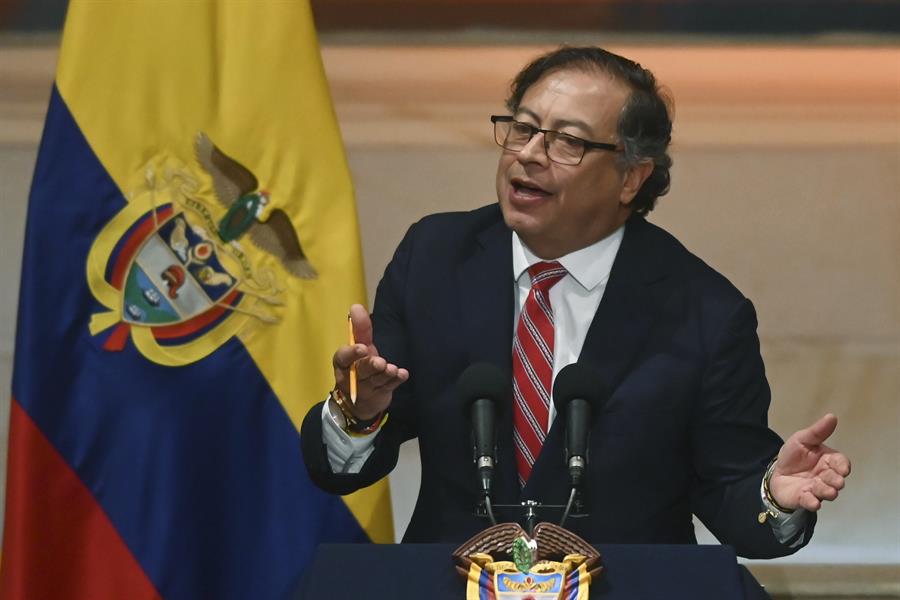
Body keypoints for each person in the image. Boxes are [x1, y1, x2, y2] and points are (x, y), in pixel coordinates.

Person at [300, 46, 851, 558]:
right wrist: (359, 411)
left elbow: (732, 496)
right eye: (522, 128)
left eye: (568, 141)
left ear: (632, 177)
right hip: (452, 584)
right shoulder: (435, 258)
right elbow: (342, 470)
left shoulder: (705, 313)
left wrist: (775, 497)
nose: (531, 155)